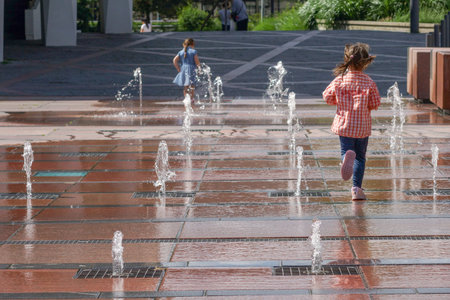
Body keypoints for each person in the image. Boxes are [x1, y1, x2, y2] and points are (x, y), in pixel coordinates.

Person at [322, 43, 381, 201]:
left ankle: (345, 159)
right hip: (362, 126)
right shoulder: (369, 82)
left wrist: (338, 100)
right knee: (360, 158)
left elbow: (327, 96)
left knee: (346, 151)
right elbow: (375, 102)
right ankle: (356, 189)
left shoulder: (340, 80)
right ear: (366, 62)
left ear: (347, 59)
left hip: (345, 125)